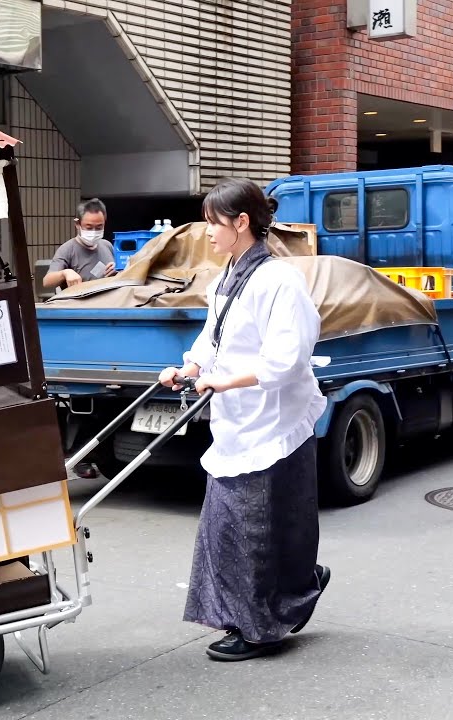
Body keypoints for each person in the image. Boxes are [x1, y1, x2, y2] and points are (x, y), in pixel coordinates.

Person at [158, 177, 331, 662]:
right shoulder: (228, 277)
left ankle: (260, 629)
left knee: (256, 530)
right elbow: (212, 340)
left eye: (213, 222)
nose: (206, 231)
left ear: (241, 222)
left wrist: (221, 382)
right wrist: (190, 368)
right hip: (239, 423)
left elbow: (286, 361)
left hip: (275, 423)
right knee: (228, 528)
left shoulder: (280, 280)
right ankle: (287, 593)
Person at [43, 198, 117, 290]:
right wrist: (65, 273)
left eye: (99, 227)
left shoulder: (107, 246)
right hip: (80, 302)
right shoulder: (68, 249)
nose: (94, 232)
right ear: (77, 224)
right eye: (89, 227)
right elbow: (47, 281)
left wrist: (116, 272)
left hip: (106, 301)